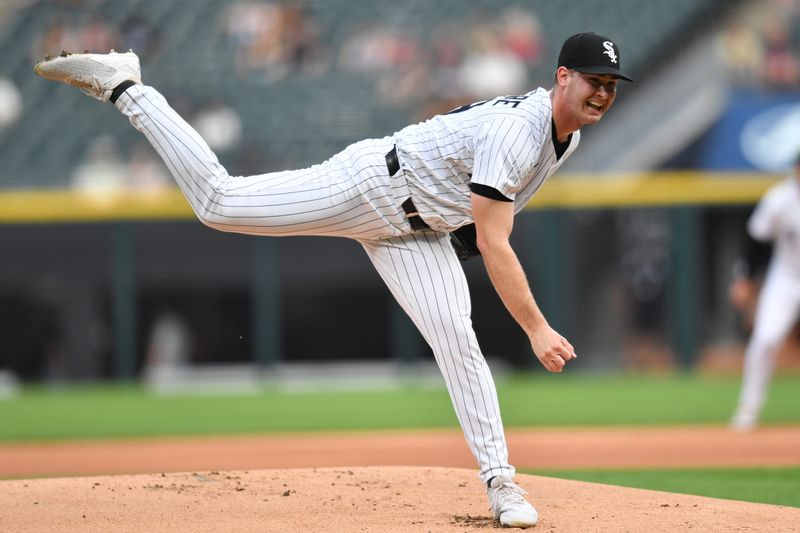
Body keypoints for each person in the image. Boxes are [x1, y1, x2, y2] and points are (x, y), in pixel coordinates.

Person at [34, 31, 633, 528]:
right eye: (591, 81)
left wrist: (456, 241)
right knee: (218, 203)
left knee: (458, 339)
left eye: (608, 85)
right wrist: (536, 327)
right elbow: (496, 240)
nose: (601, 93)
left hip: (419, 231)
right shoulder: (518, 131)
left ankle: (502, 484)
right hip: (371, 186)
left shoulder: (566, 137)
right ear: (561, 77)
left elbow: (483, 223)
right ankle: (126, 85)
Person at [729, 154, 800, 431]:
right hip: (785, 279)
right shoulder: (779, 198)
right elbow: (755, 240)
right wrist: (744, 279)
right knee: (765, 340)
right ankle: (749, 406)